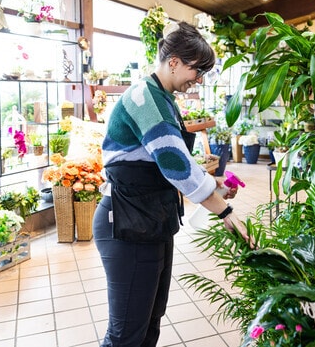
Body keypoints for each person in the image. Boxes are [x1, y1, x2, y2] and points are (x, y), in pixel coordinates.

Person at [93, 21, 250, 347]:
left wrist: (213, 183)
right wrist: (225, 211)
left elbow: (167, 160)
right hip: (126, 222)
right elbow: (174, 165)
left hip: (150, 218)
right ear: (174, 61)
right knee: (126, 334)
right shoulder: (144, 98)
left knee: (149, 321)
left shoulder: (161, 97)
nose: (198, 78)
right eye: (197, 70)